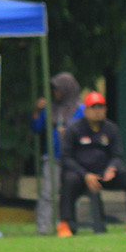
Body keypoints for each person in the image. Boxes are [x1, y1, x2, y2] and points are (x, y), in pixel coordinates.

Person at [57, 91, 126, 237]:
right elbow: (66, 157)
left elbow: (117, 154)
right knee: (69, 179)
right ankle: (65, 223)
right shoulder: (74, 129)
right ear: (86, 110)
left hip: (104, 174)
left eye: (100, 107)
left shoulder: (111, 128)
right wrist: (85, 175)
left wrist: (112, 168)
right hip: (81, 175)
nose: (97, 111)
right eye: (93, 107)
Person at [31, 72, 85, 234]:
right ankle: (43, 229)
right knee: (48, 193)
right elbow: (36, 128)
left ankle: (68, 226)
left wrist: (69, 133)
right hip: (53, 156)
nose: (55, 93)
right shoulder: (50, 109)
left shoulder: (81, 109)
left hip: (75, 158)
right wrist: (36, 111)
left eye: (57, 89)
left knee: (70, 192)